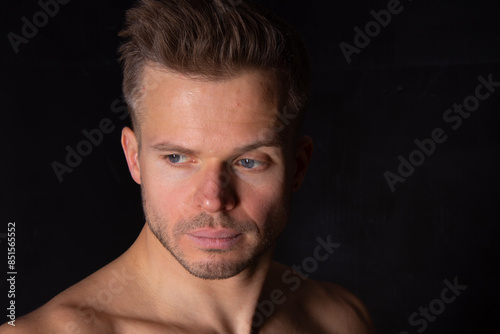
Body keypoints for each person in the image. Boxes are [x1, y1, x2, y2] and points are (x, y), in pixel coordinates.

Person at [1, 0, 375, 332]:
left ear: (298, 166)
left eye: (248, 161)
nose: (213, 200)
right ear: (134, 158)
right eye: (177, 158)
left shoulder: (340, 319)